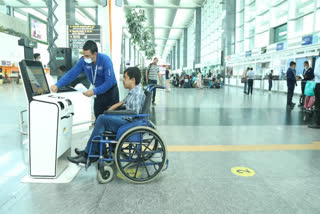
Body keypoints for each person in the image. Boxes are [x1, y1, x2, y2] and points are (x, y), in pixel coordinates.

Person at [67, 67, 146, 164]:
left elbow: (134, 113)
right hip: (127, 119)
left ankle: (88, 154)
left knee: (101, 119)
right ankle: (91, 151)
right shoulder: (133, 92)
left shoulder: (137, 93)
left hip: (130, 123)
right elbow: (122, 102)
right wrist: (110, 110)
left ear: (132, 80)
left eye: (125, 77)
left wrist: (114, 113)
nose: (123, 80)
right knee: (103, 117)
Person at [50, 40, 119, 118]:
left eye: (87, 56)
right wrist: (57, 85)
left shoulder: (105, 60)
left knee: (112, 119)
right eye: (84, 55)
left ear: (95, 54)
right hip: (98, 94)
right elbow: (71, 74)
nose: (85, 58)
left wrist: (94, 91)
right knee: (99, 119)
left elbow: (109, 82)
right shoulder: (83, 61)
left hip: (110, 92)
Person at [309, 50, 320, 128]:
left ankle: (318, 122)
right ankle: (317, 122)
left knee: (318, 104)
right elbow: (316, 72)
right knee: (318, 103)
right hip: (319, 84)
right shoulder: (319, 60)